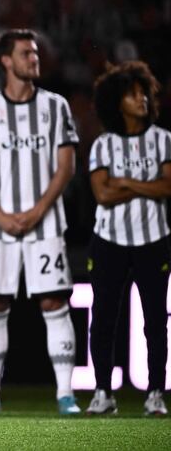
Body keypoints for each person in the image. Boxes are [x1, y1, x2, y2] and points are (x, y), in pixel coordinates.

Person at [0, 29, 81, 415]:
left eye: (35, 53)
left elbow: (65, 167)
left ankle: (66, 394)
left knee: (54, 302)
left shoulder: (56, 106)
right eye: (25, 53)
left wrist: (38, 210)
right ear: (6, 61)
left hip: (46, 224)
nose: (33, 59)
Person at [86, 61, 169, 416]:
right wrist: (145, 188)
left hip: (154, 240)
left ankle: (155, 394)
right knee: (104, 317)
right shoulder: (103, 145)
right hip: (109, 240)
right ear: (116, 102)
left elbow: (168, 186)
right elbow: (101, 196)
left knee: (156, 320)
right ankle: (103, 392)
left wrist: (124, 182)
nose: (142, 100)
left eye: (144, 93)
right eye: (133, 94)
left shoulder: (164, 139)